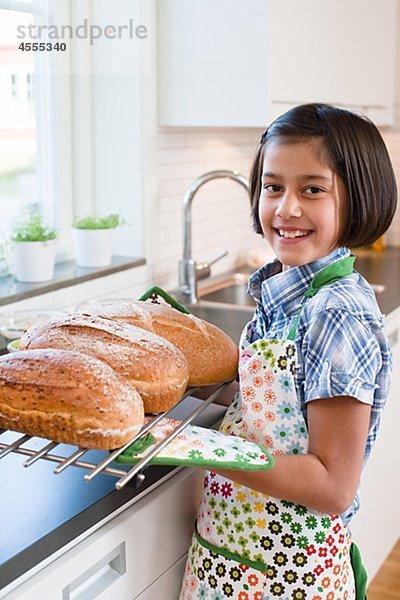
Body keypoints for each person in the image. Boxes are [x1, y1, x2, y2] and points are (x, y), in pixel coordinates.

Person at [179, 103, 397, 600]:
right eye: (273, 187)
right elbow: (270, 408)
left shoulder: (335, 313)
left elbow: (332, 485)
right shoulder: (285, 292)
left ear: (358, 197)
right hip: (229, 563)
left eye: (312, 189)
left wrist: (199, 450)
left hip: (287, 581)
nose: (286, 208)